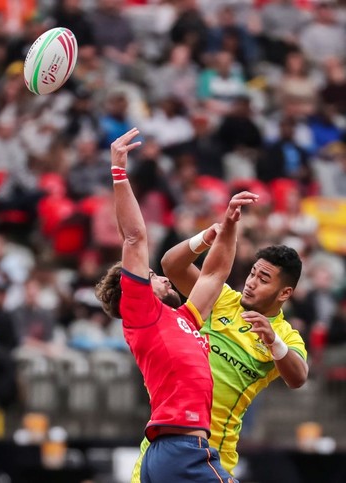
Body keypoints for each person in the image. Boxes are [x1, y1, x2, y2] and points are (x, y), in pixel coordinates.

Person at [95, 127, 259, 482]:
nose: (162, 277)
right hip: (182, 450)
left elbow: (213, 277)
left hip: (173, 452)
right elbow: (136, 237)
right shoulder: (140, 314)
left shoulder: (184, 318)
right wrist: (119, 171)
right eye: (152, 276)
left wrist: (229, 224)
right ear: (134, 290)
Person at [131, 235, 308, 481]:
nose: (251, 283)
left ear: (284, 292)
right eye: (252, 274)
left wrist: (272, 340)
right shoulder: (222, 299)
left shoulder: (286, 337)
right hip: (164, 444)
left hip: (213, 453)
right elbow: (171, 266)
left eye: (263, 279)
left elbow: (298, 377)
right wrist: (207, 237)